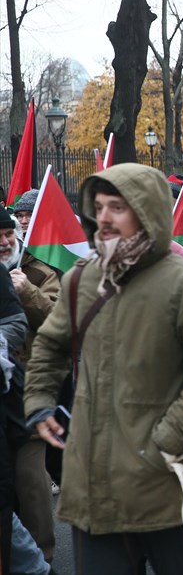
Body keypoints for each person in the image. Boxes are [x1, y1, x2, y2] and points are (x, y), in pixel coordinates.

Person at [24, 163, 183, 573]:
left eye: (117, 207)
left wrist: (165, 437)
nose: (103, 217)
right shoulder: (81, 279)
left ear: (147, 213)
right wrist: (38, 401)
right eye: (99, 207)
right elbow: (50, 346)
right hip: (96, 489)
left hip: (167, 483)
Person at [1, 208, 59, 563]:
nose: (5, 242)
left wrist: (29, 292)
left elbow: (60, 319)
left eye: (9, 234)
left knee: (31, 482)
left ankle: (44, 558)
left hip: (32, 389)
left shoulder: (40, 268)